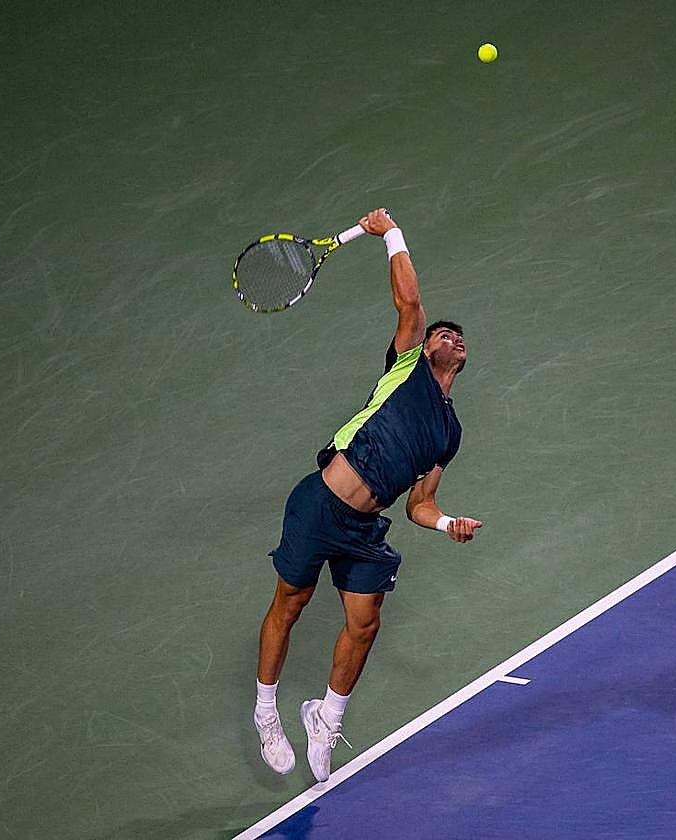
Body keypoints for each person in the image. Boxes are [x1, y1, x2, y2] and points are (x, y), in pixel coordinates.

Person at [252, 208, 483, 783]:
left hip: (364, 530)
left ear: (466, 357)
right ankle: (265, 711)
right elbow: (409, 302)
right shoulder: (407, 365)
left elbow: (418, 505)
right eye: (439, 333)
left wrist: (446, 522)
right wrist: (390, 234)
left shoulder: (448, 435)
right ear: (422, 346)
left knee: (365, 623)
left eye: (457, 336)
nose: (447, 335)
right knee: (291, 604)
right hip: (321, 503)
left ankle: (325, 717)